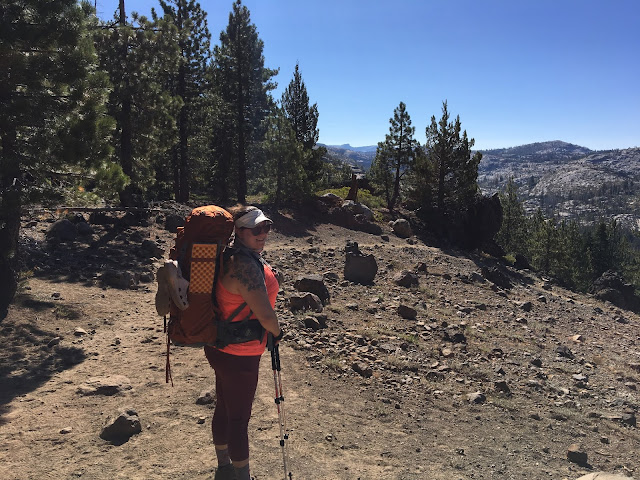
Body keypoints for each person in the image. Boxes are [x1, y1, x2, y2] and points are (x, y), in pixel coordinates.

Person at [204, 205, 283, 480]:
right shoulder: (244, 266)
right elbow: (265, 315)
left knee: (225, 407)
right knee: (238, 419)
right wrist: (277, 332)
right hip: (241, 352)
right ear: (239, 231)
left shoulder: (230, 257)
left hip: (219, 345)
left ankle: (224, 467)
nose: (263, 234)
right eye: (256, 230)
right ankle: (241, 476)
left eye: (266, 228)